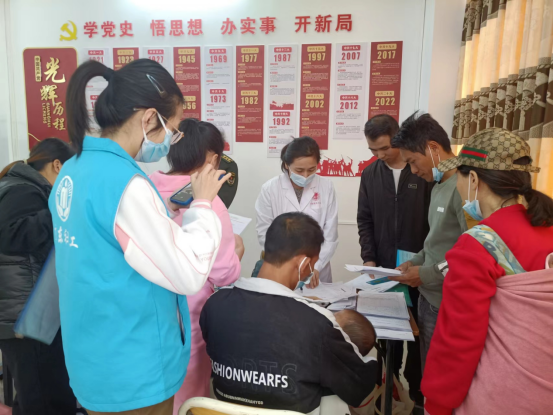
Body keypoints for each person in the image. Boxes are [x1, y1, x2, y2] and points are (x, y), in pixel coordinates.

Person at [49, 59, 231, 414]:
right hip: (134, 369)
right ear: (149, 119)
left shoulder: (73, 169)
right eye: (172, 129)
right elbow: (189, 272)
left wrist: (162, 210)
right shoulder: (126, 184)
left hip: (93, 358)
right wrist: (203, 204)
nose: (170, 141)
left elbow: (102, 244)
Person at [422, 128, 553, 415]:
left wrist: (437, 403)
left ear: (473, 179)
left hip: (506, 396)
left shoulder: (477, 245)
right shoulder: (547, 228)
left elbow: (458, 340)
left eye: (458, 176)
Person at [200, 212, 377, 414]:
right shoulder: (317, 324)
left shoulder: (214, 305)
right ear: (303, 264)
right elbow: (358, 388)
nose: (309, 272)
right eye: (312, 266)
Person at [149, 118, 243, 415]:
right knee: (186, 400)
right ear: (213, 159)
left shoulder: (146, 189)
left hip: (144, 317)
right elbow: (223, 273)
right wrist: (236, 252)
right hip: (187, 322)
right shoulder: (210, 203)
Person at [389, 112, 472, 372]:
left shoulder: (464, 188)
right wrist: (415, 261)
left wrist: (424, 274)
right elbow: (435, 241)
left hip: (448, 304)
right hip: (429, 298)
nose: (413, 171)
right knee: (429, 373)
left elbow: (472, 257)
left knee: (441, 377)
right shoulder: (438, 186)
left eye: (413, 162)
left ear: (433, 148)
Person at [358, 114, 432, 403]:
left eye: (385, 148)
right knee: (388, 338)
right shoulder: (370, 174)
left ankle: (417, 395)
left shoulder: (422, 172)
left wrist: (424, 263)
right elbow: (365, 220)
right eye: (373, 150)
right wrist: (369, 259)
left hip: (420, 270)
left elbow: (435, 226)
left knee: (419, 336)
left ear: (398, 139)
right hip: (385, 269)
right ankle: (390, 392)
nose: (380, 155)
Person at [0, 138, 76, 415]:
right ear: (57, 166)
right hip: (27, 319)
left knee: (34, 395)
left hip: (23, 316)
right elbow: (11, 236)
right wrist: (61, 213)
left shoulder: (17, 186)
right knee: (48, 399)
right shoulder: (24, 190)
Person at [255, 137, 338, 283]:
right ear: (287, 165)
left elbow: (330, 234)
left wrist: (315, 266)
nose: (305, 176)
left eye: (311, 170)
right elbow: (265, 233)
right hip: (282, 267)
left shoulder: (326, 187)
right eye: (299, 170)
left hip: (317, 269)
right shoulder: (270, 189)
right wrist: (291, 265)